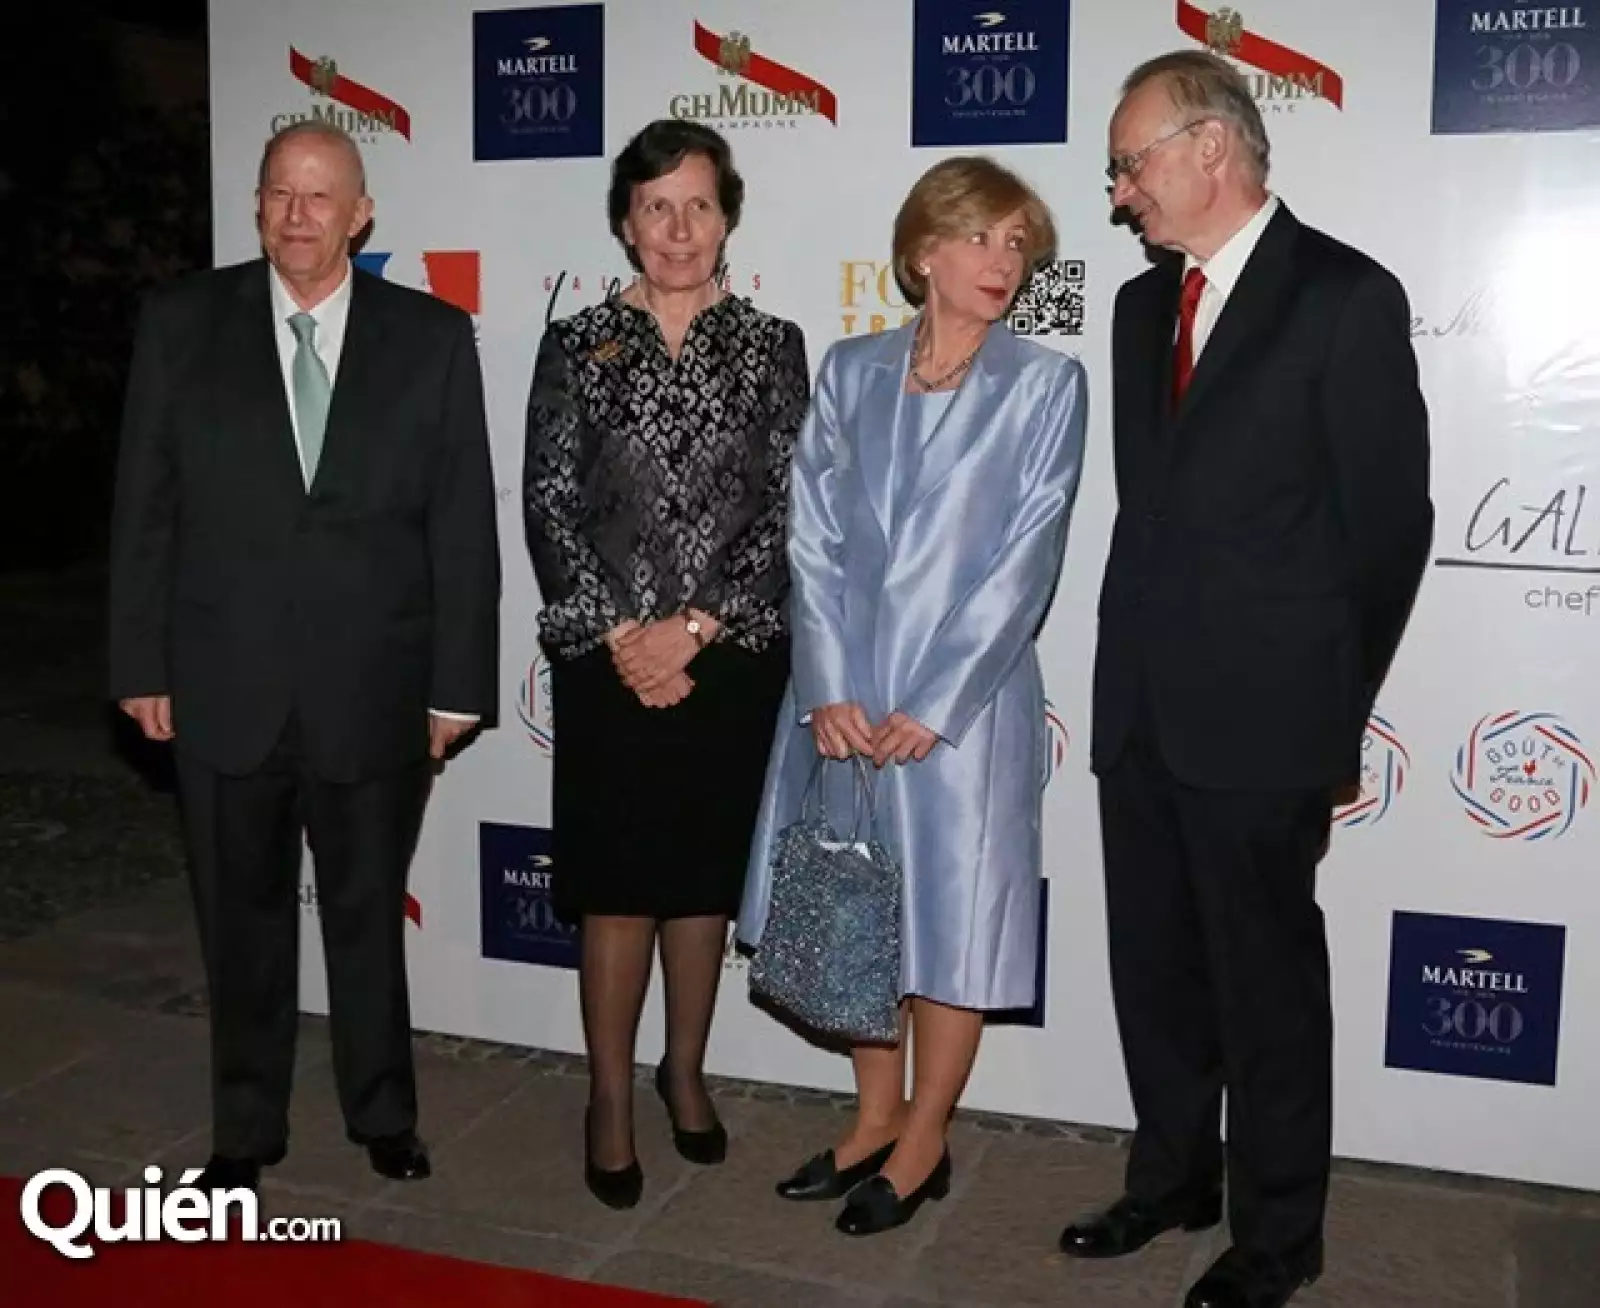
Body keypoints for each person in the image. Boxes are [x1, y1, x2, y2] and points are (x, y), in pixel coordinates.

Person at [1061, 52, 1432, 1308]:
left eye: (1130, 163)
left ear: (1208, 148)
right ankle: (1170, 1177)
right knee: (1152, 969)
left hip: (1268, 723)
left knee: (1267, 991)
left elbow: (1387, 531)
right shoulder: (1130, 311)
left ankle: (1280, 1237)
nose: (1118, 194)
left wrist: (1328, 716)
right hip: (1141, 710)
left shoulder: (1343, 297)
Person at [107, 121, 501, 1190]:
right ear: (257, 204)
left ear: (361, 213)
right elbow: (145, 505)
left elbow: (462, 523)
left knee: (369, 916)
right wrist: (140, 663)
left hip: (374, 688)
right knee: (240, 925)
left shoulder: (430, 336)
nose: (297, 214)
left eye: (321, 197)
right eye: (280, 191)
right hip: (221, 683)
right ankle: (245, 1132)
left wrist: (457, 684)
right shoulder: (183, 323)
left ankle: (383, 1115)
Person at [739, 156, 1087, 1238]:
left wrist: (934, 704)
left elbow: (1025, 565)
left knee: (952, 925)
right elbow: (813, 537)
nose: (1001, 262)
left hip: (963, 713)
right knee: (861, 911)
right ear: (922, 250)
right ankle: (872, 1117)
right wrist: (830, 685)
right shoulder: (849, 370)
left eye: (1018, 246)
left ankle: (927, 1136)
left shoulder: (1044, 383)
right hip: (848, 700)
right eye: (980, 238)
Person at [522, 119, 809, 1210]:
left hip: (730, 654)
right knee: (616, 891)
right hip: (603, 660)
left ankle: (684, 1072)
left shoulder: (771, 345)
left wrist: (692, 628)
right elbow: (548, 506)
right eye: (655, 206)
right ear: (624, 222)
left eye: (696, 204)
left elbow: (790, 512)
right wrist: (620, 638)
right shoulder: (577, 343)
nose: (677, 228)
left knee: (698, 884)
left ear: (726, 215)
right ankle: (607, 1097)